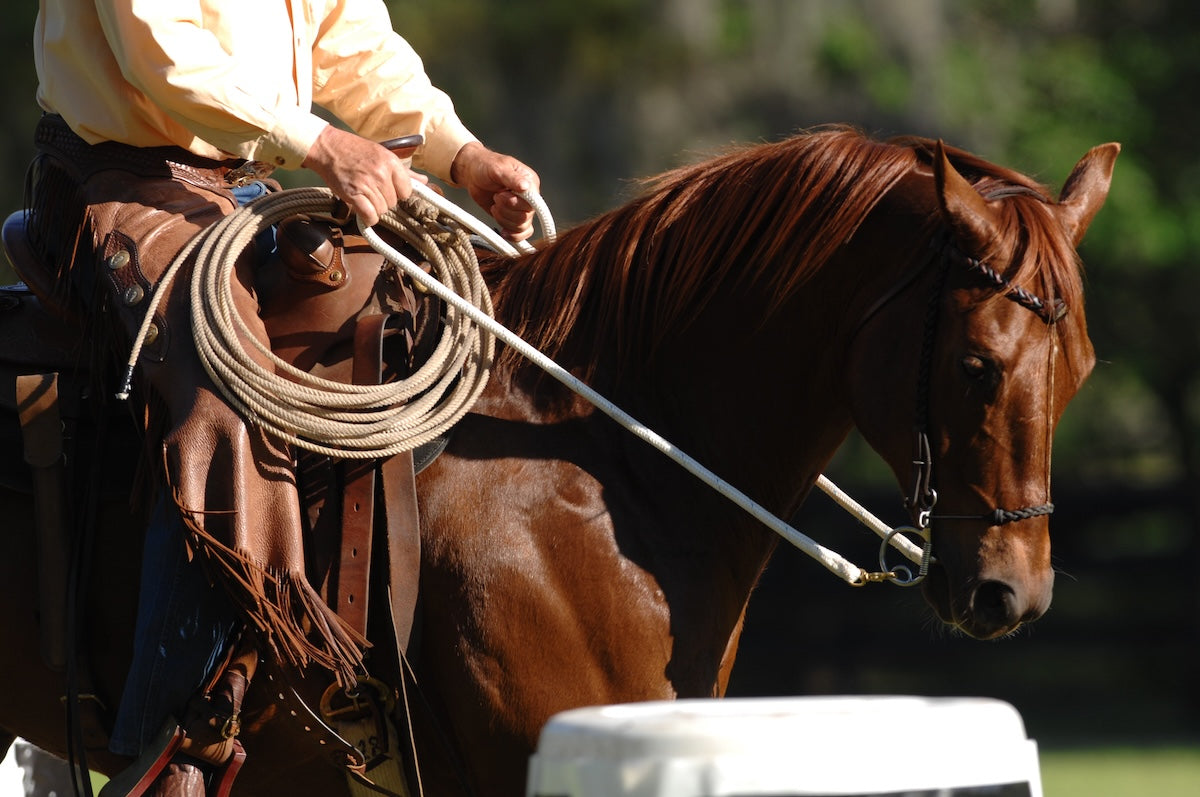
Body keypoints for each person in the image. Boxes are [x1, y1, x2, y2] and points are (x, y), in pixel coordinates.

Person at [28, 2, 541, 796]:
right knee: (228, 387)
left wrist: (462, 154)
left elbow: (351, 39)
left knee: (392, 325)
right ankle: (171, 747)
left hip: (241, 185)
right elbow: (165, 59)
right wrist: (324, 145)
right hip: (120, 179)